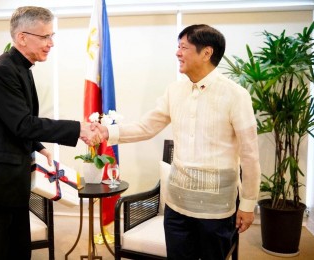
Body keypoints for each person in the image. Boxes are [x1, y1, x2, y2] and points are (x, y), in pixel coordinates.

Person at [98, 24, 261, 259]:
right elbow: (146, 127)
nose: (177, 53)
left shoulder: (236, 95)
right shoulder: (174, 91)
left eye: (183, 47)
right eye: (178, 47)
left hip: (216, 210)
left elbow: (250, 154)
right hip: (176, 207)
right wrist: (105, 132)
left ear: (206, 53)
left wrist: (247, 204)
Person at [0, 6, 101, 259]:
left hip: (10, 180)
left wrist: (40, 147)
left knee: (18, 250)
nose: (51, 44)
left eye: (52, 36)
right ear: (22, 37)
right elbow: (23, 124)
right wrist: (78, 128)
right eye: (45, 37)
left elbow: (11, 122)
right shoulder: (3, 71)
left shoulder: (20, 67)